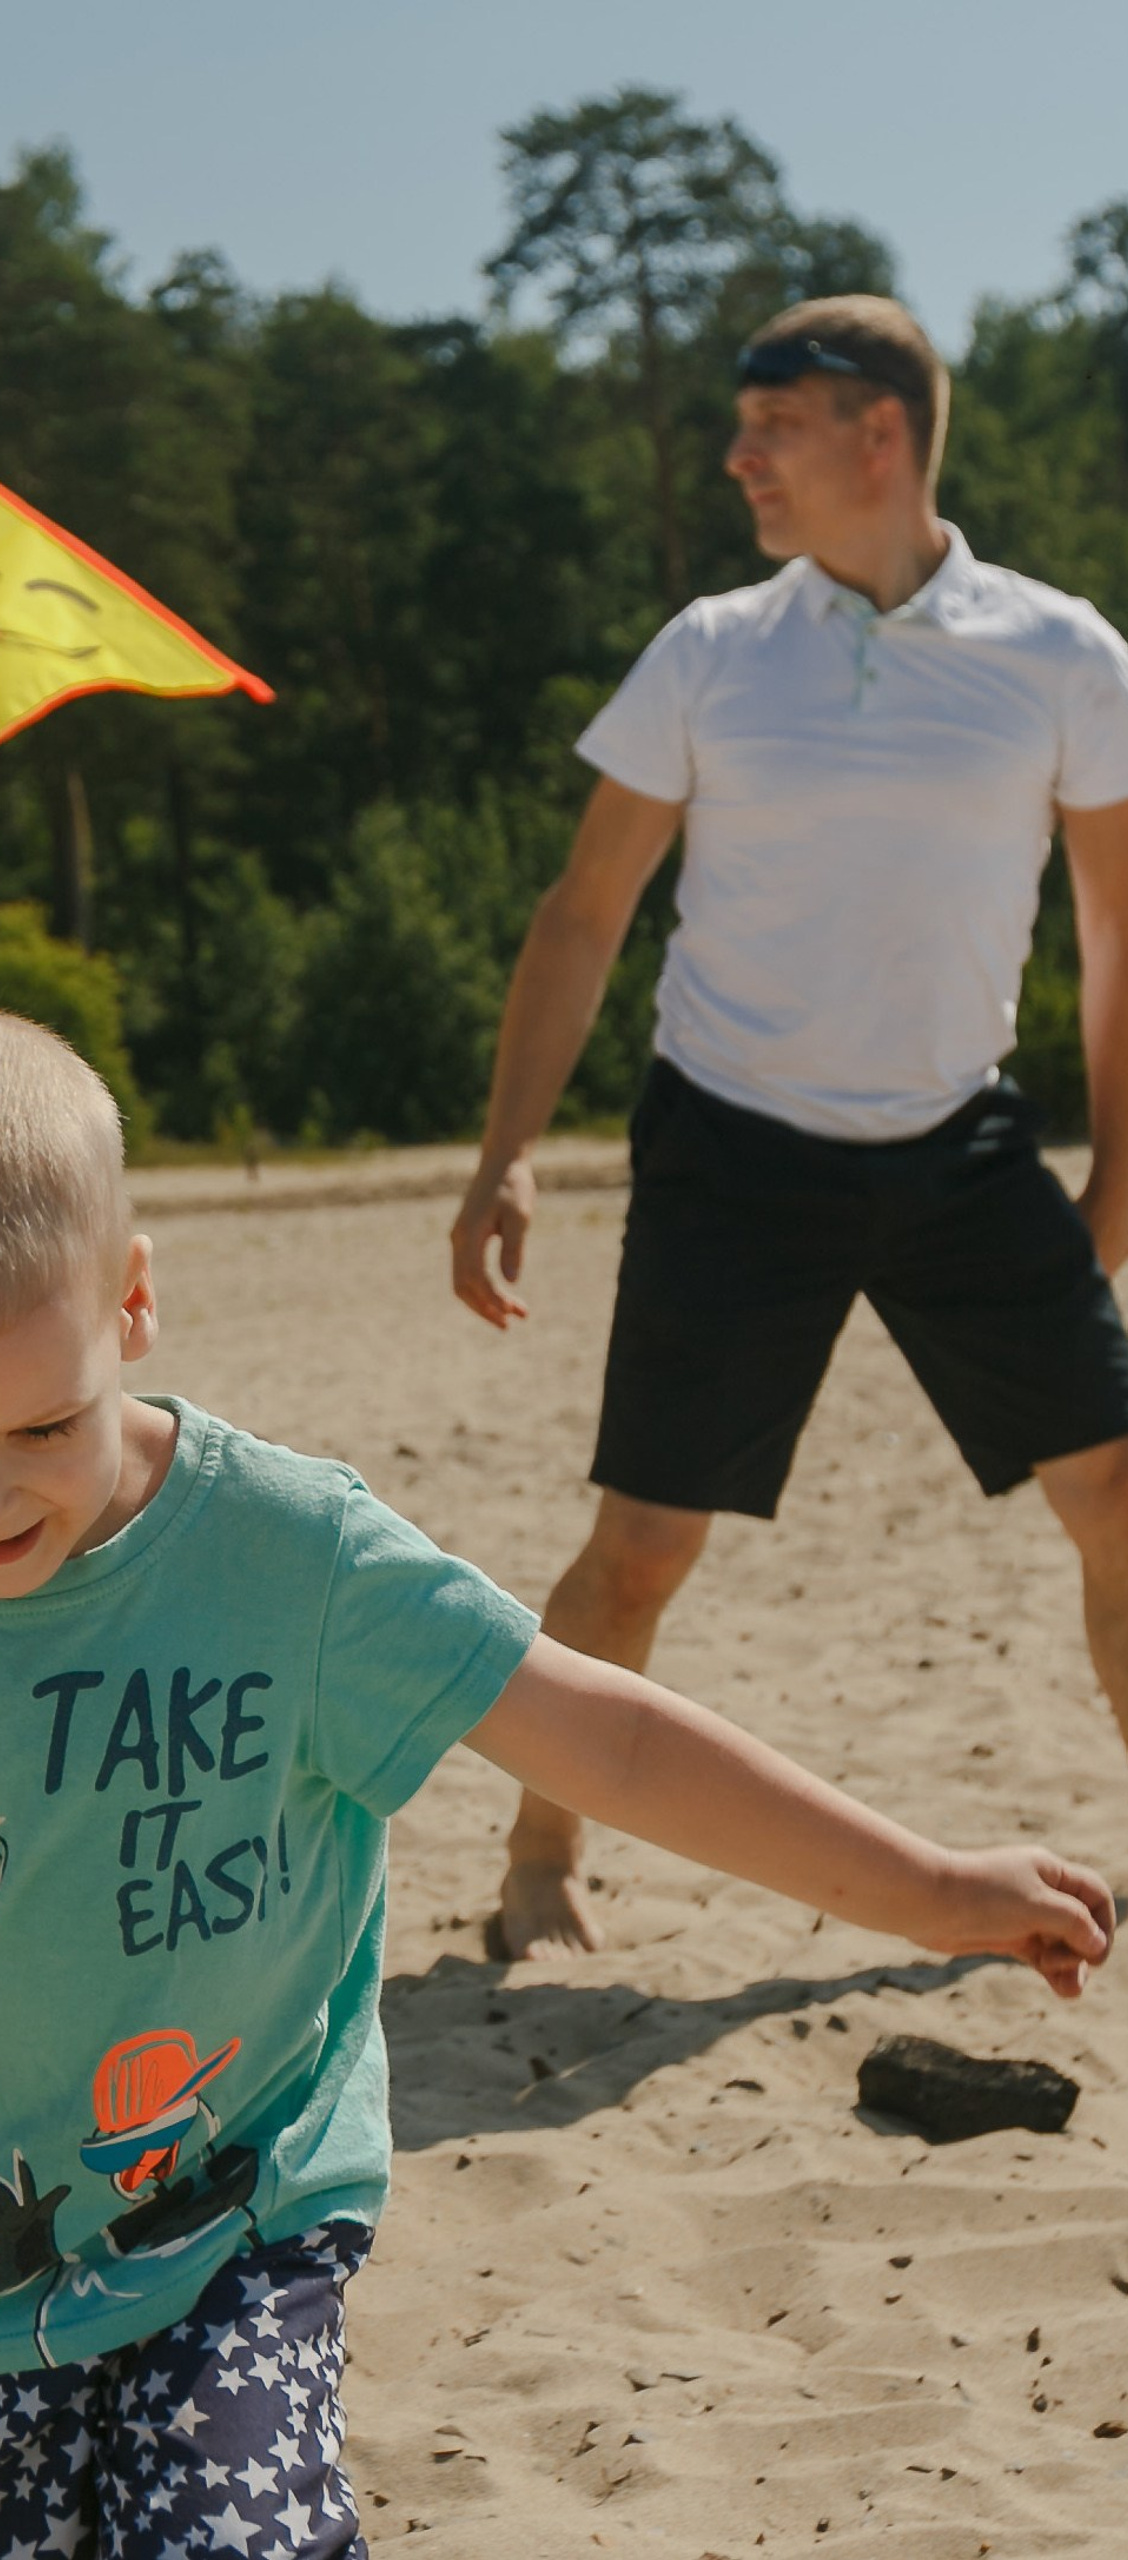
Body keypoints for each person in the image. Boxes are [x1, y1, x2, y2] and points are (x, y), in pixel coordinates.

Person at [0, 1009, 1110, 2560]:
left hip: (237, 2228)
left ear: (136, 1303)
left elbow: (606, 1735)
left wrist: (934, 1890)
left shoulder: (289, 1560)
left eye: (37, 1424)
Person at [449, 293, 1128, 1962]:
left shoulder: (1062, 655)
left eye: (774, 425)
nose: (740, 456)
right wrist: (505, 1152)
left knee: (1120, 1493)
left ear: (879, 433)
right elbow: (585, 908)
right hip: (733, 1151)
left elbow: (1119, 932)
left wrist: (1123, 1167)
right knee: (643, 1548)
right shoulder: (709, 651)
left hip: (962, 1147)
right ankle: (540, 1862)